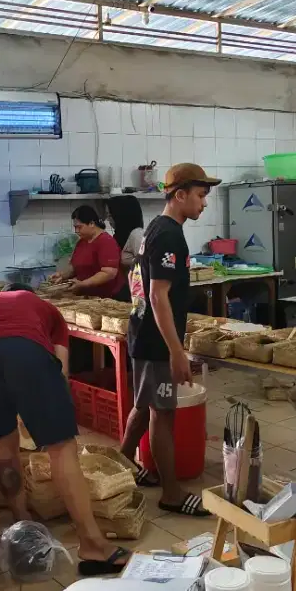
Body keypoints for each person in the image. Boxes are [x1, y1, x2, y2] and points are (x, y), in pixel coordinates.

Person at [0, 284, 128, 575]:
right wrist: (49, 418)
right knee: (62, 448)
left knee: (4, 446)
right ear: (31, 296)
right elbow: (61, 372)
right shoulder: (48, 311)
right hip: (26, 351)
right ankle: (92, 544)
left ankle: (22, 526)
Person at [120, 163, 221, 517]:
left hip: (147, 335)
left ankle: (120, 471)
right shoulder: (168, 235)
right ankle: (172, 494)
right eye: (200, 196)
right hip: (156, 342)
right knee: (163, 416)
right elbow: (158, 295)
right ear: (180, 195)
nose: (204, 204)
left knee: (144, 405)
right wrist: (177, 351)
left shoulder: (158, 229)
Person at [51, 204, 126, 299]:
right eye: (75, 227)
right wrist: (62, 275)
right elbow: (75, 267)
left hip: (108, 298)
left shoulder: (106, 241)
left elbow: (109, 273)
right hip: (88, 297)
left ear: (91, 223)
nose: (76, 231)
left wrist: (83, 284)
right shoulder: (82, 242)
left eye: (79, 227)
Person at [106, 194, 144, 271]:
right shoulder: (119, 236)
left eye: (110, 215)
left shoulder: (137, 235)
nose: (107, 219)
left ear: (120, 215)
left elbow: (145, 264)